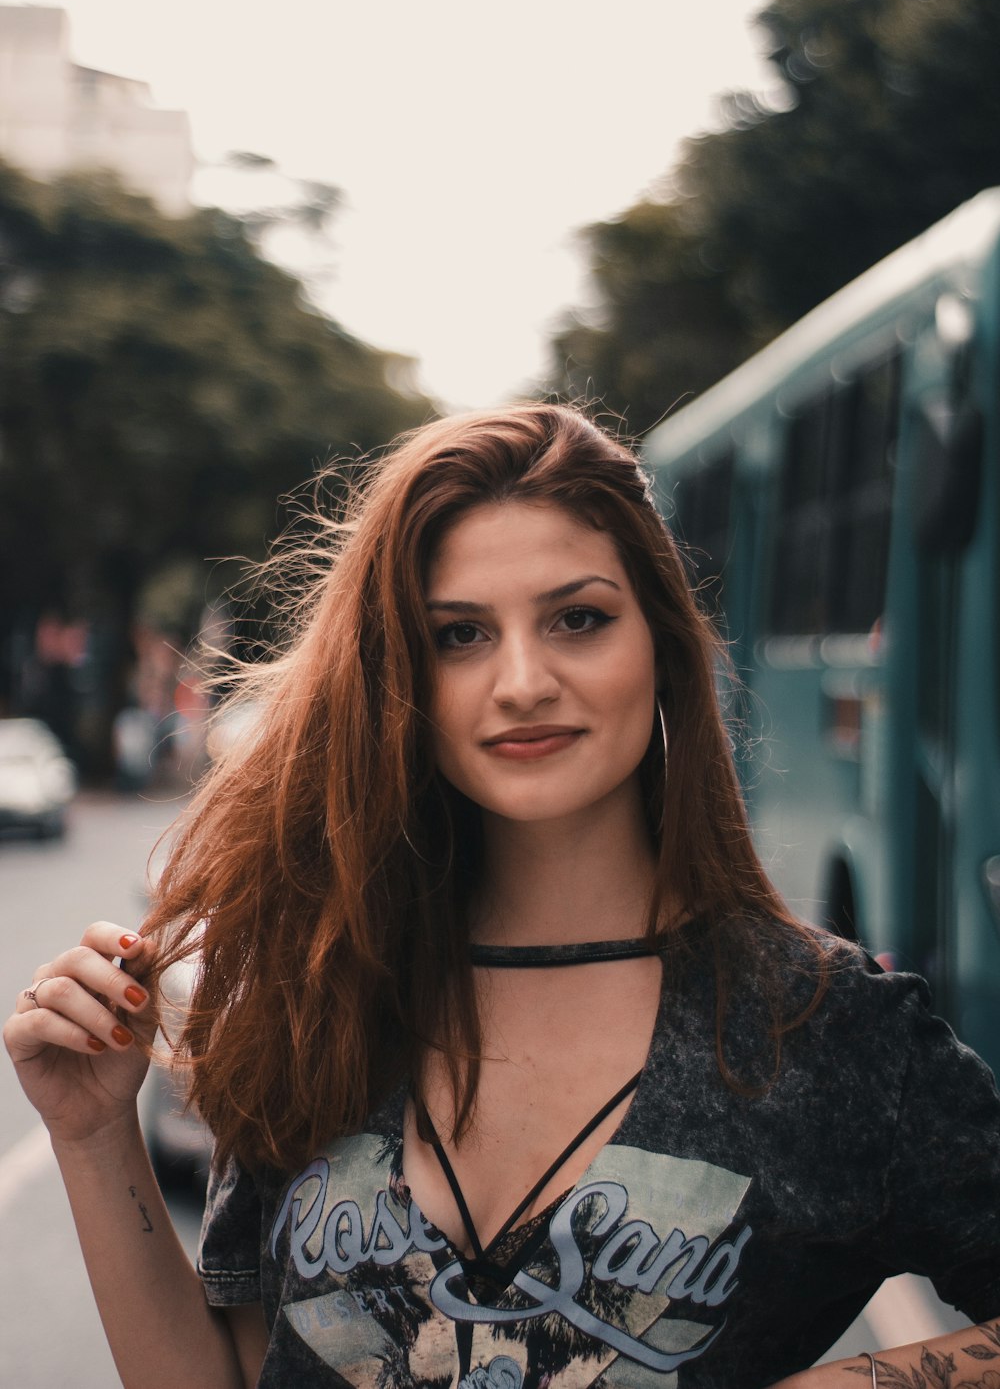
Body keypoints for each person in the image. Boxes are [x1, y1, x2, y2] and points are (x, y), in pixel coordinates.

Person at [5, 403, 1000, 1389]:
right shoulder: (321, 990)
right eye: (459, 635)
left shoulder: (826, 1031)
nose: (522, 681)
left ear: (656, 641)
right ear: (399, 676)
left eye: (578, 619)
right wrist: (93, 1138)